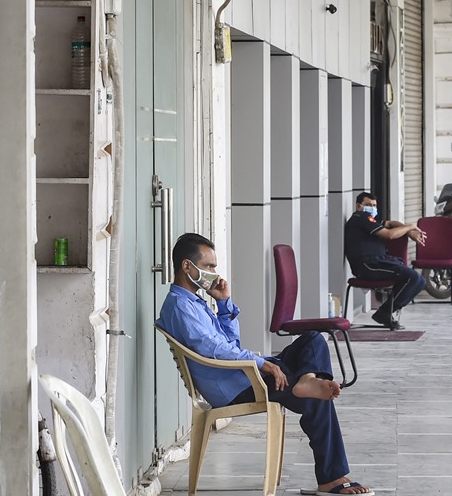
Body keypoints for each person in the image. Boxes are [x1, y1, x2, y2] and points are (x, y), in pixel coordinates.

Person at [157, 233, 374, 496]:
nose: (214, 273)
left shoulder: (195, 302)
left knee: (313, 339)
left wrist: (224, 303)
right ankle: (332, 477)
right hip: (234, 386)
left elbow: (230, 343)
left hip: (241, 376)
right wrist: (262, 364)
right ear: (187, 267)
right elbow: (212, 349)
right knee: (319, 398)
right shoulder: (180, 305)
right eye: (209, 266)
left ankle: (306, 379)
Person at [344, 191, 427, 329]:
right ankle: (384, 312)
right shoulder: (360, 217)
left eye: (374, 205)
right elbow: (389, 234)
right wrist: (411, 226)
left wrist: (408, 232)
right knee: (413, 278)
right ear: (358, 206)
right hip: (368, 265)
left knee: (419, 281)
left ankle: (385, 312)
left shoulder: (370, 219)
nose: (372, 207)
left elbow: (390, 223)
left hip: (379, 262)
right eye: (368, 204)